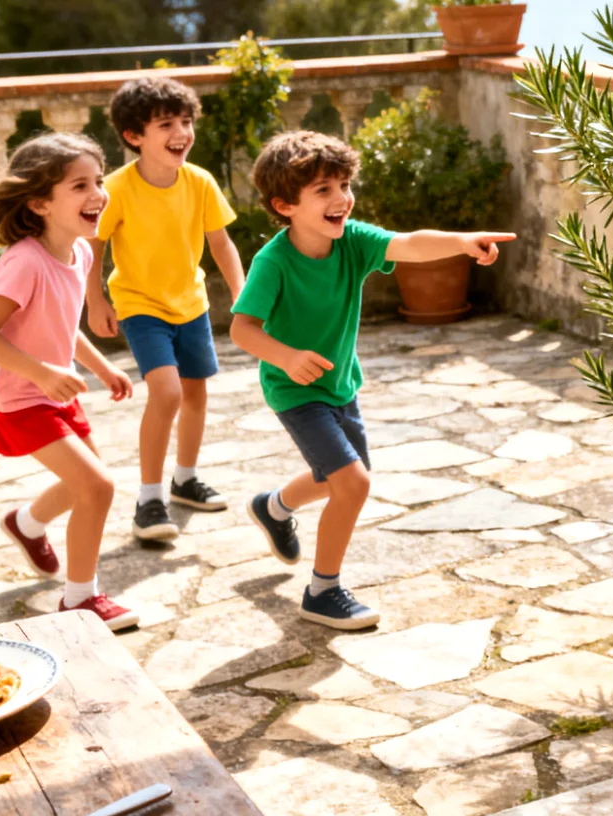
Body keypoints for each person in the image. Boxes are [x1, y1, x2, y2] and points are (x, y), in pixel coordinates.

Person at [231, 130, 513, 629]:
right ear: (284, 204)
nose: (342, 198)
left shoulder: (354, 242)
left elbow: (410, 243)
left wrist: (462, 243)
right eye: (323, 190)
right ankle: (323, 591)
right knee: (352, 483)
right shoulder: (272, 263)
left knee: (332, 477)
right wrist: (288, 357)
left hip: (342, 385)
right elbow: (242, 329)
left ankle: (272, 508)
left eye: (343, 184)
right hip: (295, 392)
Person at [0, 134, 141, 630]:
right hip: (16, 394)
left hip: (46, 387)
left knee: (85, 482)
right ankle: (80, 599)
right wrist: (43, 373)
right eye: (79, 186)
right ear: (39, 201)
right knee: (97, 486)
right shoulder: (24, 262)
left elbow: (60, 321)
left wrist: (101, 366)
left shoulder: (80, 254)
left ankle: (25, 523)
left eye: (97, 181)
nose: (97, 194)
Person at [86, 75, 244, 541]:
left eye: (186, 121)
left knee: (196, 394)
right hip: (140, 305)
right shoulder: (115, 189)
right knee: (168, 393)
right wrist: (95, 300)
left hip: (190, 304)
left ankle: (185, 479)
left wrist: (243, 292)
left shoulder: (200, 182)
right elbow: (92, 248)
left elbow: (221, 241)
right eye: (166, 124)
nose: (182, 133)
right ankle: (149, 500)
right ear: (134, 136)